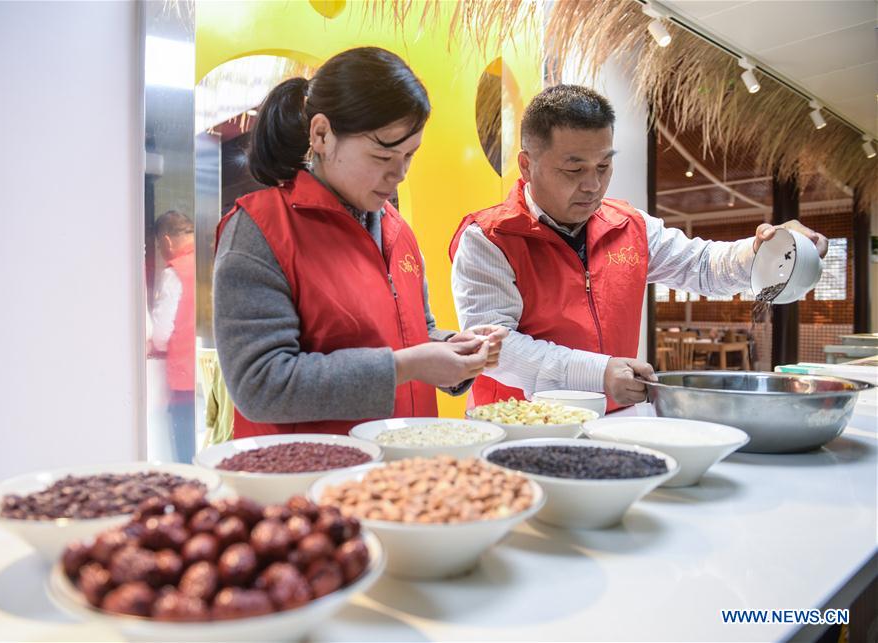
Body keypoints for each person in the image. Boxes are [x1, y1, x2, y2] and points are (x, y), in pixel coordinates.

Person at [450, 85, 828, 411]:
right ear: (527, 166)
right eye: (574, 168)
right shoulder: (488, 237)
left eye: (603, 166)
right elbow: (495, 346)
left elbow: (703, 266)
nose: (592, 185)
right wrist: (596, 373)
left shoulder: (630, 226)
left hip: (612, 420)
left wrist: (769, 250)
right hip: (516, 427)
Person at [213, 47, 507, 437]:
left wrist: (455, 347)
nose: (399, 173)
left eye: (409, 155)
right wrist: (407, 366)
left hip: (401, 471)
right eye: (383, 154)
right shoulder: (260, 230)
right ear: (321, 134)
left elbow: (417, 331)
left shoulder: (396, 229)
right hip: (308, 481)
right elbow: (262, 385)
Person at [150, 210, 196, 462]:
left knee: (184, 449)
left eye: (158, 245)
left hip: (183, 377)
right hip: (210, 374)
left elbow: (161, 333)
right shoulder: (209, 262)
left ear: (166, 240)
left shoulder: (174, 273)